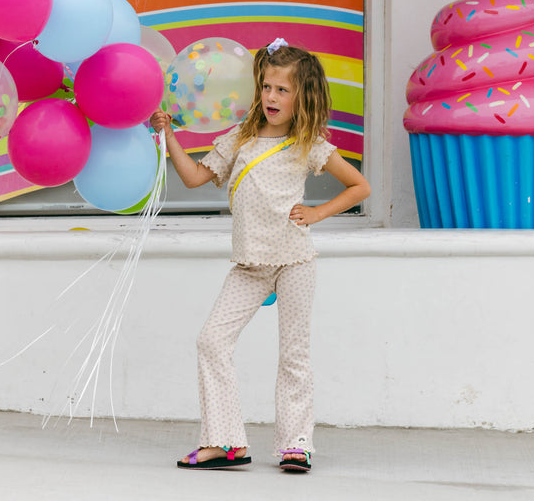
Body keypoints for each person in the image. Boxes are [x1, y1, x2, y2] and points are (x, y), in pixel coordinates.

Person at [149, 39, 370, 472]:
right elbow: (195, 177)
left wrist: (318, 212)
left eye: (282, 90)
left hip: (293, 261)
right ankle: (225, 441)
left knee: (293, 354)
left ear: (302, 96)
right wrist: (169, 136)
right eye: (266, 86)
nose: (271, 96)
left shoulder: (308, 144)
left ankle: (296, 444)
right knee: (211, 341)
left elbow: (359, 187)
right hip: (249, 266)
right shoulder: (241, 138)